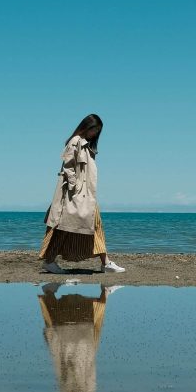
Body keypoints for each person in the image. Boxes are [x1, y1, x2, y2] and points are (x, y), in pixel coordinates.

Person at [41, 114, 125, 274]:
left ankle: (105, 262)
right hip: (73, 194)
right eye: (94, 130)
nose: (95, 134)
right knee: (62, 228)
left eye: (97, 131)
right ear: (86, 126)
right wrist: (75, 187)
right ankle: (49, 261)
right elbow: (68, 166)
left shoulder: (87, 145)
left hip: (86, 195)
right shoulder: (75, 142)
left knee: (96, 225)